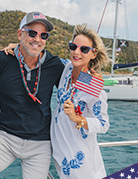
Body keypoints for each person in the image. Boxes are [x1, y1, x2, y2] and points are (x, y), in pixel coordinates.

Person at [0, 11, 65, 179]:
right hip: (6, 138)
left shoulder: (55, 65)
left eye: (43, 35)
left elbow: (77, 75)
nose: (37, 39)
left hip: (40, 143)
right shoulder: (0, 59)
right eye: (32, 33)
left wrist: (93, 72)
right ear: (19, 34)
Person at [50, 24, 110, 179]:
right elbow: (39, 55)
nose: (76, 52)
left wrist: (78, 119)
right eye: (73, 46)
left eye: (84, 49)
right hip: (59, 152)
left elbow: (103, 123)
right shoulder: (66, 68)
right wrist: (18, 47)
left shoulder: (92, 85)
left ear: (93, 54)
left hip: (79, 158)